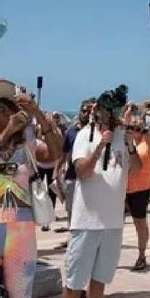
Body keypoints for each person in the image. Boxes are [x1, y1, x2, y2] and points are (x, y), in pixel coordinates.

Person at [0, 80, 55, 298]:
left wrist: (38, 114)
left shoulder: (27, 145)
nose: (8, 116)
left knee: (21, 295)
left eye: (11, 110)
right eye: (2, 111)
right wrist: (5, 134)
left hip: (21, 228)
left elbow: (55, 153)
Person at [64, 97, 141, 298]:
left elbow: (137, 169)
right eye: (107, 110)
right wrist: (99, 148)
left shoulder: (122, 137)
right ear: (97, 111)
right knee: (75, 283)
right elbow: (81, 171)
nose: (112, 115)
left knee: (100, 281)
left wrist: (131, 145)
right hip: (87, 223)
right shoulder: (84, 136)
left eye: (115, 110)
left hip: (113, 223)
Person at [57, 98, 93, 231]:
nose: (86, 114)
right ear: (79, 112)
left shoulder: (94, 133)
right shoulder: (70, 132)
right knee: (71, 210)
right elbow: (64, 153)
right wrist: (57, 171)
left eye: (89, 111)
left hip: (89, 177)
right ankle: (72, 235)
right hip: (71, 176)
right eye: (84, 111)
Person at [125, 108, 150, 271]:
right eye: (132, 128)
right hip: (123, 187)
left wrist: (144, 129)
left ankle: (142, 255)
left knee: (140, 223)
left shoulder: (145, 142)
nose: (134, 131)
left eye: (137, 129)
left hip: (139, 188)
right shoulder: (126, 141)